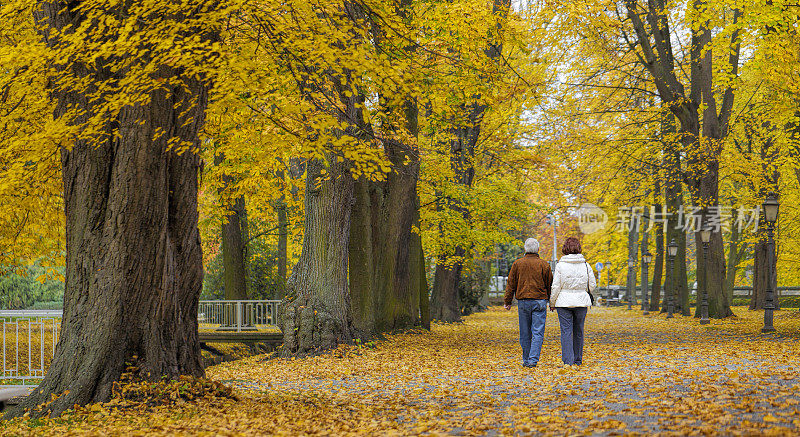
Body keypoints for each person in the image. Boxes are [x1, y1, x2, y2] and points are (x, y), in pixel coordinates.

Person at [503, 238, 553, 368]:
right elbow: (550, 285)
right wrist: (552, 302)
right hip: (539, 301)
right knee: (537, 332)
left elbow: (511, 284)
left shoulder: (517, 264)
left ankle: (526, 359)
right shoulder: (544, 265)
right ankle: (533, 360)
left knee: (525, 332)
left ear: (525, 249)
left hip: (523, 301)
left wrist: (507, 301)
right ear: (537, 249)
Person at [550, 237, 596, 366]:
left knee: (566, 331)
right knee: (579, 331)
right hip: (581, 302)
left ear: (565, 248)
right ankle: (577, 360)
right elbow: (592, 285)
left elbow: (556, 286)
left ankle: (568, 361)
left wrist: (552, 302)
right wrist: (584, 291)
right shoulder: (586, 265)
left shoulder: (560, 265)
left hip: (564, 303)